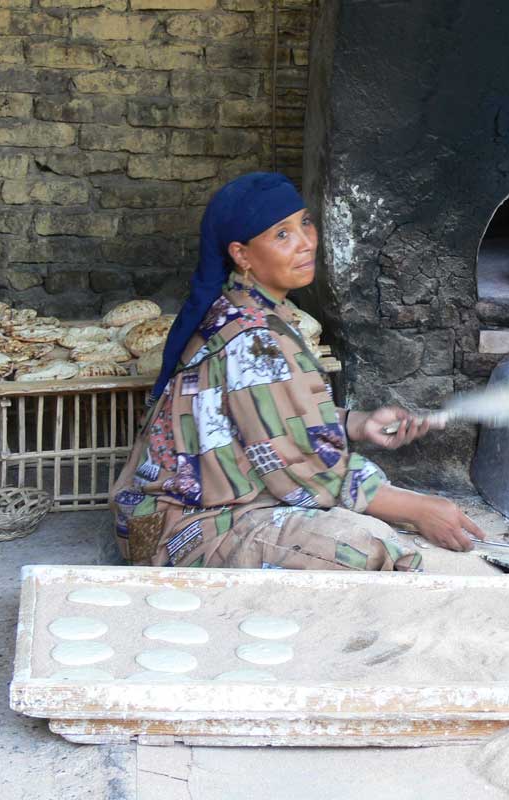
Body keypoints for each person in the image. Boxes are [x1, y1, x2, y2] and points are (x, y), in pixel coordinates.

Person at [110, 172, 485, 571]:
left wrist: (357, 424)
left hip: (212, 502)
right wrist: (418, 509)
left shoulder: (255, 309)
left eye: (305, 223)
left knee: (370, 508)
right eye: (282, 235)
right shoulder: (253, 339)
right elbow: (304, 473)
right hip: (187, 529)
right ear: (242, 255)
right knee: (373, 552)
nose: (306, 242)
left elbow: (273, 421)